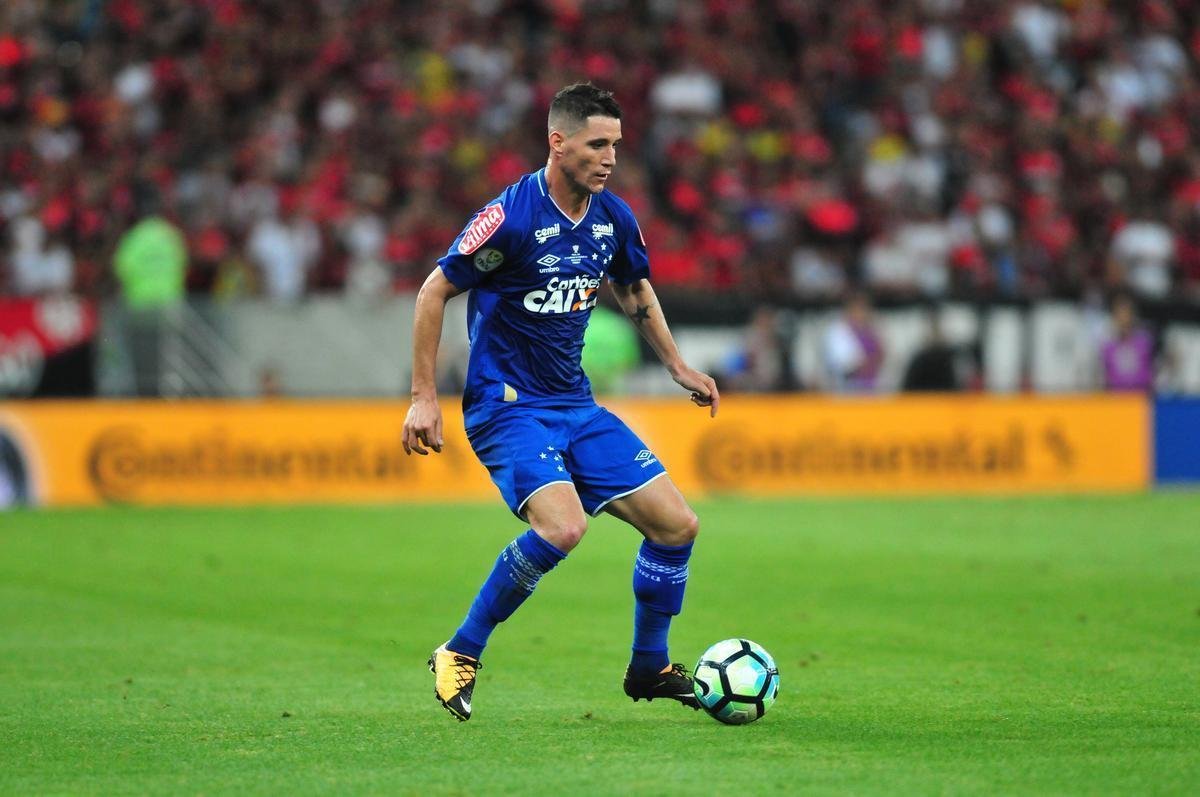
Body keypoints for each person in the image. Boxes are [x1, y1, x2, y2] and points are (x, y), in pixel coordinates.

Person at [401, 83, 720, 722]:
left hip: (575, 404)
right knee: (563, 526)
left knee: (677, 526)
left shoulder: (612, 218)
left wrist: (678, 365)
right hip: (506, 406)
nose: (609, 158)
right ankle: (460, 651)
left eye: (616, 146)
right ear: (558, 141)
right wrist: (423, 398)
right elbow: (434, 291)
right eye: (597, 144)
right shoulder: (511, 217)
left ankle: (649, 666)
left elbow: (635, 293)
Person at [1099, 293, 1155, 392]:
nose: (1123, 318)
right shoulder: (1108, 346)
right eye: (1119, 314)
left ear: (1132, 315)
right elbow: (1104, 377)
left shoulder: (1144, 342)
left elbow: (1151, 374)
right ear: (1114, 316)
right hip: (1116, 399)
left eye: (1126, 313)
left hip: (1139, 398)